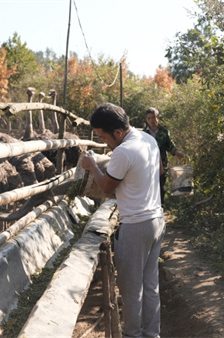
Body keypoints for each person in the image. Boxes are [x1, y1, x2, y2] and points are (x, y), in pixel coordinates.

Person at [81, 102, 165, 338]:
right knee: (150, 285)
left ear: (117, 133)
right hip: (156, 219)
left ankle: (132, 335)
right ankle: (151, 334)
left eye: (103, 137)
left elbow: (107, 188)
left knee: (130, 289)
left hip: (135, 225)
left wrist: (92, 166)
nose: (105, 142)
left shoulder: (122, 151)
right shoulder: (148, 139)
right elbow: (158, 171)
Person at [144, 107, 185, 205]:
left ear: (158, 117)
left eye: (154, 117)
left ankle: (160, 205)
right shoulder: (143, 133)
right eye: (149, 118)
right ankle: (149, 205)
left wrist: (176, 152)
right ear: (146, 119)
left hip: (162, 162)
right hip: (147, 164)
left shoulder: (164, 131)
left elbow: (169, 145)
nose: (152, 120)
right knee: (149, 185)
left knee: (161, 184)